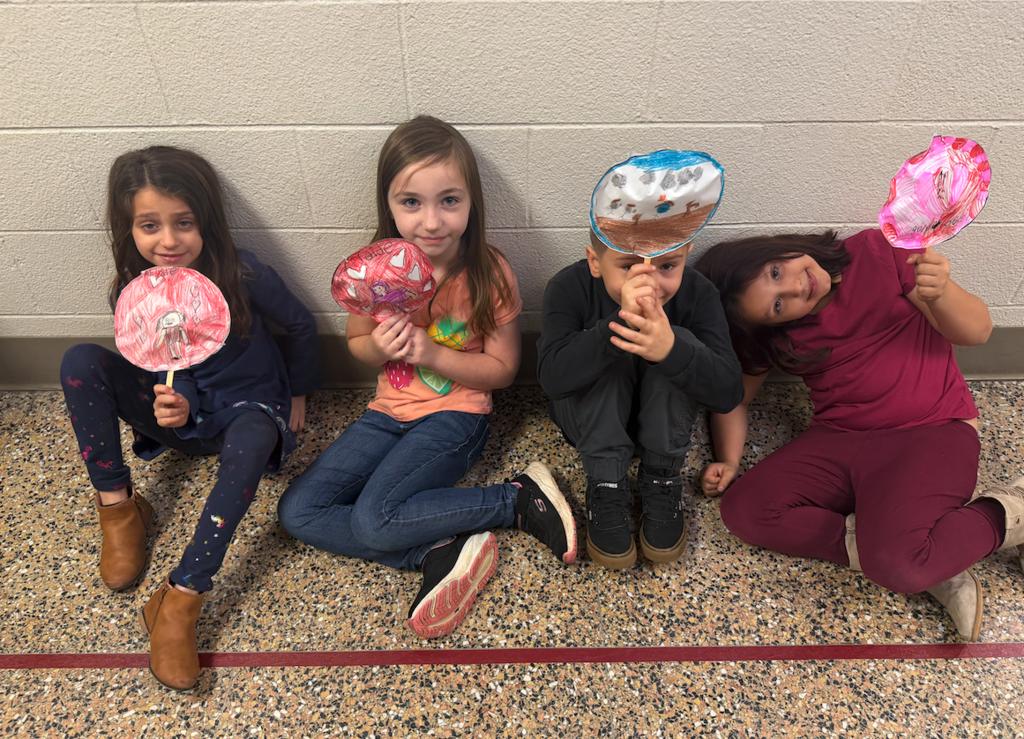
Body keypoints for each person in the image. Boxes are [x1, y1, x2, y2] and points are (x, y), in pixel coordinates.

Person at [277, 116, 576, 639]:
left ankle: (515, 499)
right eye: (411, 202)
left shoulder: (488, 272)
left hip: (456, 416)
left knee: (375, 517)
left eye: (449, 201)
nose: (432, 221)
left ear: (471, 203)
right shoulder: (374, 271)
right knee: (298, 511)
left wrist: (431, 353)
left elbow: (503, 371)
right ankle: (436, 549)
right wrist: (377, 346)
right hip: (385, 415)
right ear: (388, 205)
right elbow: (357, 345)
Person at [60, 145, 321, 690]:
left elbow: (299, 326)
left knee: (251, 436)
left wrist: (298, 395)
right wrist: (169, 403)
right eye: (149, 225)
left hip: (245, 416)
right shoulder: (132, 295)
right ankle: (120, 509)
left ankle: (182, 596)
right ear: (128, 229)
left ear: (207, 221)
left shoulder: (244, 272)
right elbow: (157, 365)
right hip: (182, 419)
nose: (169, 240)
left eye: (184, 222)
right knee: (80, 361)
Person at [695, 227, 1024, 641]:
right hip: (840, 437)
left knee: (899, 567)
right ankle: (925, 546)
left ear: (775, 248)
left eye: (777, 272)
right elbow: (734, 399)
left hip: (930, 430)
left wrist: (941, 293)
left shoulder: (877, 251)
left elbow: (977, 333)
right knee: (744, 509)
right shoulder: (778, 336)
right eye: (778, 305)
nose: (797, 287)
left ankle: (1011, 512)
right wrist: (728, 460)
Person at [537, 152, 743, 570]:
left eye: (668, 265)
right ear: (596, 263)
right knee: (609, 348)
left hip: (662, 428)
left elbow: (728, 392)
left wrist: (671, 350)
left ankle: (661, 477)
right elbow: (552, 380)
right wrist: (617, 329)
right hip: (589, 423)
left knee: (679, 341)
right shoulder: (567, 287)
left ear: (686, 256)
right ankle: (606, 483)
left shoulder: (699, 293)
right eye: (630, 265)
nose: (649, 281)